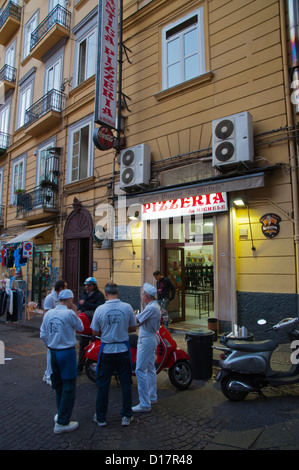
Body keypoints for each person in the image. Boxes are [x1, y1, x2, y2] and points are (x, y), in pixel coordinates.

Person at [90, 282, 137, 427]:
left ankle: (101, 417)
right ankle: (126, 416)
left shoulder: (100, 309)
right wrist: (121, 329)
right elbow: (133, 328)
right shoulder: (127, 307)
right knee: (126, 384)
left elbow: (95, 332)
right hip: (123, 350)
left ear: (106, 294)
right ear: (118, 292)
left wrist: (106, 331)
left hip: (107, 351)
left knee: (103, 384)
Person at [40, 289, 84, 434]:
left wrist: (49, 345)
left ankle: (60, 413)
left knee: (58, 385)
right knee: (69, 386)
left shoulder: (49, 314)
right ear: (70, 300)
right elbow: (81, 327)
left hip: (53, 352)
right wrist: (75, 312)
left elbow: (43, 334)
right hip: (67, 352)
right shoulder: (70, 313)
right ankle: (62, 422)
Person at [132, 283, 161, 413]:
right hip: (149, 338)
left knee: (140, 370)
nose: (142, 296)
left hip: (146, 340)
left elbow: (137, 320)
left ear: (146, 296)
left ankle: (144, 403)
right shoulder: (153, 306)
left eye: (143, 294)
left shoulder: (151, 308)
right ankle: (152, 396)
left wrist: (133, 315)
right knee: (150, 368)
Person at [77, 277, 105, 371]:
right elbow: (79, 303)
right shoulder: (84, 294)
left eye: (89, 285)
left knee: (97, 344)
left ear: (94, 286)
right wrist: (78, 308)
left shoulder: (99, 295)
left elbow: (99, 307)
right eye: (85, 285)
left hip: (95, 323)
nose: (87, 287)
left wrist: (85, 304)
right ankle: (80, 366)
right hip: (85, 324)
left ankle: (95, 364)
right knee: (83, 345)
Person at [42, 280, 67, 386]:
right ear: (60, 289)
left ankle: (47, 374)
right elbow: (46, 315)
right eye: (65, 287)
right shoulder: (50, 298)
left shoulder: (58, 298)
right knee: (50, 353)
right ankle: (49, 376)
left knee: (52, 353)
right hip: (51, 329)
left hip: (58, 329)